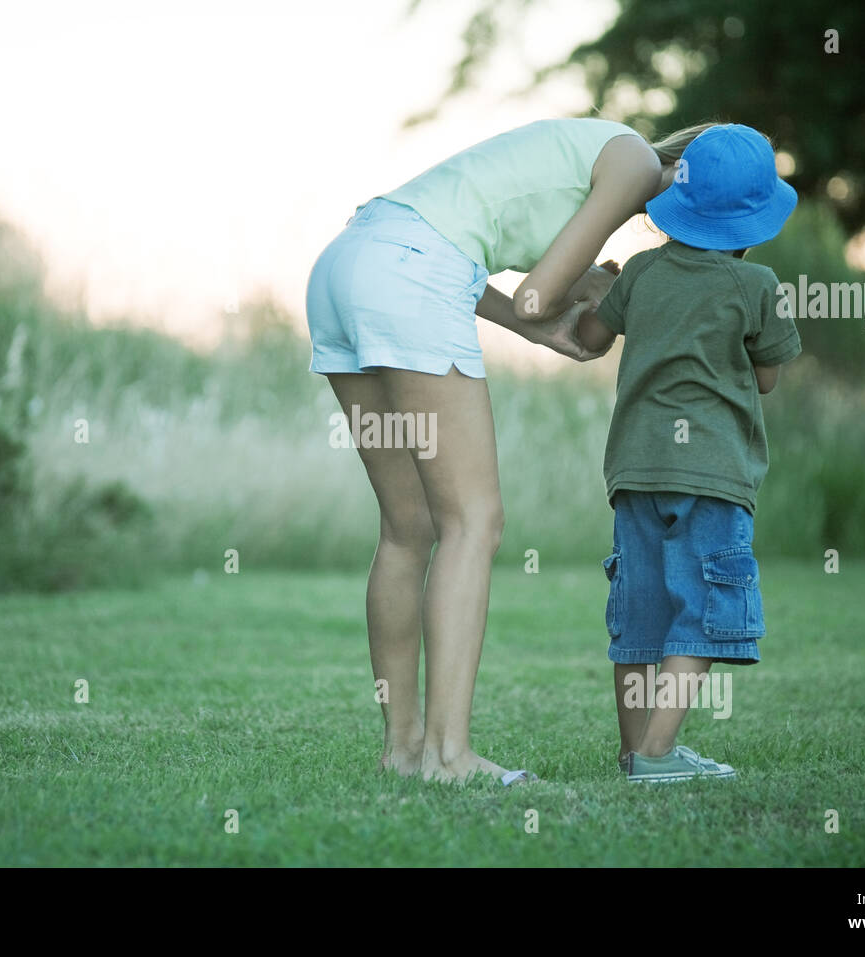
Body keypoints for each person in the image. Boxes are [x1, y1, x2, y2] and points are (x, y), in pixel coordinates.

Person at [305, 116, 714, 784]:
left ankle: (405, 749)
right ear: (698, 177)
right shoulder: (636, 163)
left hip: (349, 263)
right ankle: (449, 756)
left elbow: (493, 282)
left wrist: (547, 319)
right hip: (412, 277)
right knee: (474, 520)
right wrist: (587, 295)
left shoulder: (601, 145)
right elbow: (534, 292)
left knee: (409, 527)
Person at [575, 123, 801, 783]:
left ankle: (633, 750)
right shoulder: (754, 285)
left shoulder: (642, 271)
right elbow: (766, 376)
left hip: (635, 469)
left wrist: (599, 285)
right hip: (712, 472)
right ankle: (656, 756)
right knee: (701, 611)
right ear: (752, 222)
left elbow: (591, 333)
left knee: (638, 616)